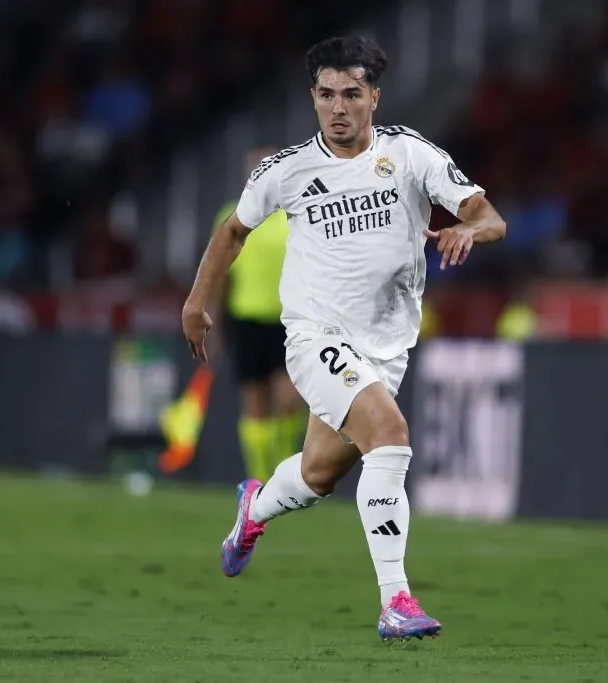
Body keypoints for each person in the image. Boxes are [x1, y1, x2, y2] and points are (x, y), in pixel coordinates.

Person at [181, 36, 506, 641]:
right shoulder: (288, 170)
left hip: (388, 345)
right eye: (327, 94)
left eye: (352, 94)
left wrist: (470, 229)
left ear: (374, 97)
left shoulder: (410, 156)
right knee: (390, 435)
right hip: (314, 336)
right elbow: (232, 232)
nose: (338, 107)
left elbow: (490, 215)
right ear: (313, 97)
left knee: (318, 475)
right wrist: (198, 302)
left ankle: (254, 508)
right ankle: (396, 601)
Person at [215, 148, 305, 482]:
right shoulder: (233, 214)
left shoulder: (295, 216)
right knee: (255, 402)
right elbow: (222, 271)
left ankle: (285, 470)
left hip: (288, 320)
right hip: (246, 317)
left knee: (290, 399)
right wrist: (217, 317)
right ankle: (259, 478)